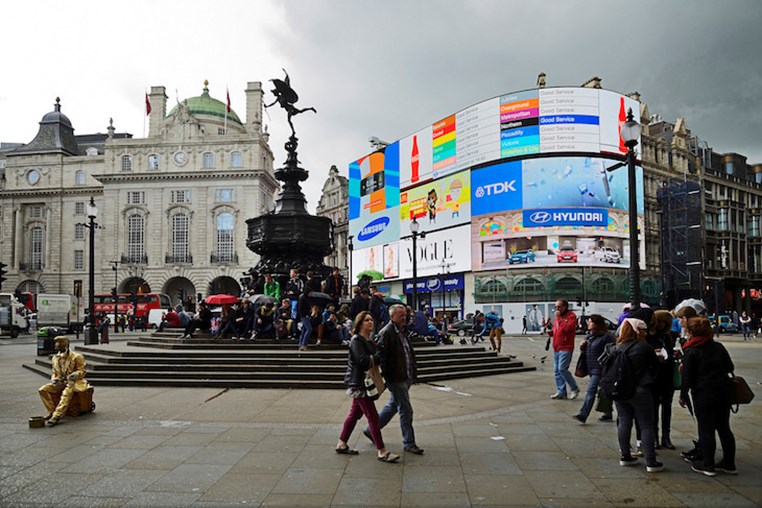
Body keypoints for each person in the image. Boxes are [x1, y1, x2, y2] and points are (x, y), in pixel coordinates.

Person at [336, 311, 400, 463]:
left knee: (354, 415)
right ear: (359, 324)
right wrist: (378, 356)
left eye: (371, 319)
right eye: (366, 320)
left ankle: (342, 443)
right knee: (372, 417)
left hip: (362, 382)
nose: (370, 322)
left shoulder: (367, 340)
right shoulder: (356, 340)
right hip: (360, 384)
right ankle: (382, 451)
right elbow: (363, 361)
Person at [363, 304, 424, 455]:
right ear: (392, 317)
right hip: (396, 378)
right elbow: (381, 355)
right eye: (401, 315)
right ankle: (409, 442)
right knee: (406, 410)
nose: (405, 317)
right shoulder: (387, 332)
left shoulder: (402, 331)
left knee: (392, 406)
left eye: (405, 314)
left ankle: (371, 430)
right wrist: (389, 374)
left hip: (405, 375)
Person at [679, 317, 737, 476]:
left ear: (691, 333)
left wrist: (683, 395)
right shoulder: (718, 347)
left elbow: (687, 377)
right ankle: (729, 463)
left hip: (703, 393)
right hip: (723, 392)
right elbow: (729, 367)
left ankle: (708, 464)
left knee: (706, 429)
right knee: (724, 428)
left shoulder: (691, 350)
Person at [612, 318, 663, 473]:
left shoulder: (616, 347)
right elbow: (655, 366)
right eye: (643, 330)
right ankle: (650, 461)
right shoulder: (643, 347)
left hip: (620, 390)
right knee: (646, 424)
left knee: (624, 421)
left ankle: (625, 456)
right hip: (640, 390)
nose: (646, 333)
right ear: (636, 331)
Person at [38, 336, 91, 426]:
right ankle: (51, 411)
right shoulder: (55, 358)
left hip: (74, 382)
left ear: (64, 344)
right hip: (60, 382)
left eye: (57, 344)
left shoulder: (77, 356)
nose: (55, 346)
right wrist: (54, 380)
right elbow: (54, 372)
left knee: (67, 393)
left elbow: (82, 371)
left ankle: (57, 415)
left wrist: (75, 375)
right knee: (43, 389)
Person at [572, 314, 615, 424]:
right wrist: (582, 347)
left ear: (597, 324)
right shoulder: (590, 336)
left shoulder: (607, 337)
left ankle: (583, 414)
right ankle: (607, 413)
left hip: (601, 368)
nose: (588, 323)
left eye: (590, 322)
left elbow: (612, 352)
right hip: (591, 367)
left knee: (591, 391)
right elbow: (586, 352)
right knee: (604, 391)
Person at [647, 310, 678, 450]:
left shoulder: (668, 336)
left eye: (663, 322)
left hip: (667, 375)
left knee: (667, 407)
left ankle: (666, 437)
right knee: (653, 408)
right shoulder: (648, 335)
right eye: (658, 321)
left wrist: (672, 354)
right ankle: (654, 437)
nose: (660, 324)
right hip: (654, 375)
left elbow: (670, 352)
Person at [550, 299, 579, 400]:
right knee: (557, 371)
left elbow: (567, 328)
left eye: (559, 307)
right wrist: (551, 332)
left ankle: (574, 388)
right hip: (557, 346)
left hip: (566, 347)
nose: (557, 309)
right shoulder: (558, 318)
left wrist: (559, 318)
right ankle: (561, 391)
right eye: (556, 307)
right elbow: (556, 329)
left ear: (565, 307)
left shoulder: (571, 316)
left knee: (562, 369)